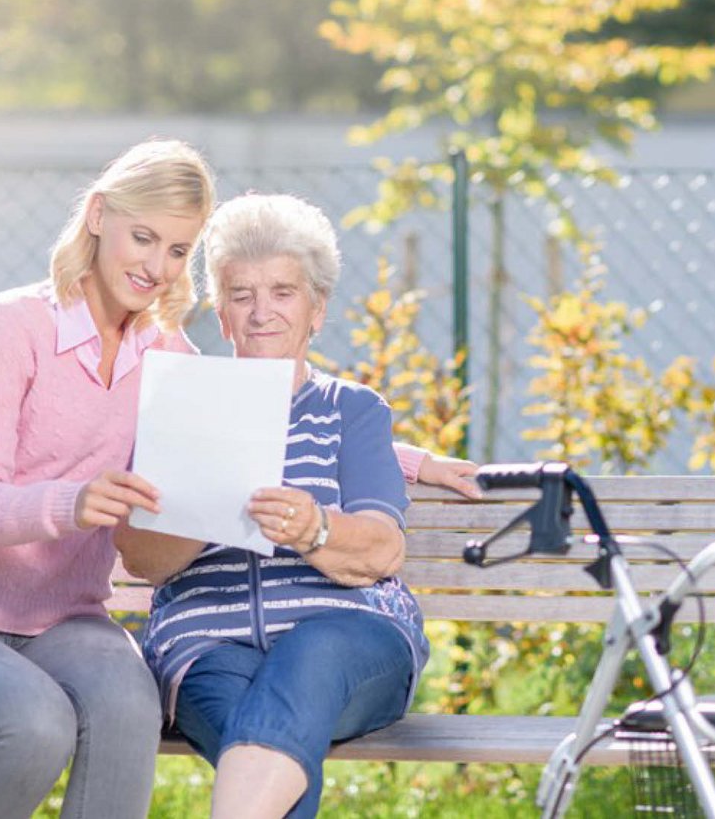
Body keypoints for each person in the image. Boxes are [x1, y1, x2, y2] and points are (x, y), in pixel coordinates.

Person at [0, 139, 216, 819]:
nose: (156, 267)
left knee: (129, 708)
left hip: (65, 619)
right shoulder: (8, 325)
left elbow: (261, 423)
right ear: (96, 216)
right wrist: (76, 503)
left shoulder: (170, 355)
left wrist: (412, 459)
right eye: (142, 237)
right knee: (34, 723)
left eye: (177, 250)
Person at [114, 193, 479, 819]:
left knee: (310, 655)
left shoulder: (352, 411)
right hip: (207, 644)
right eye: (241, 295)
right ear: (221, 315)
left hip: (352, 639)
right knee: (265, 746)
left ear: (317, 310)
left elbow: (382, 550)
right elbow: (144, 561)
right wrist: (205, 501)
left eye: (283, 292)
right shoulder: (180, 407)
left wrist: (315, 529)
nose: (262, 313)